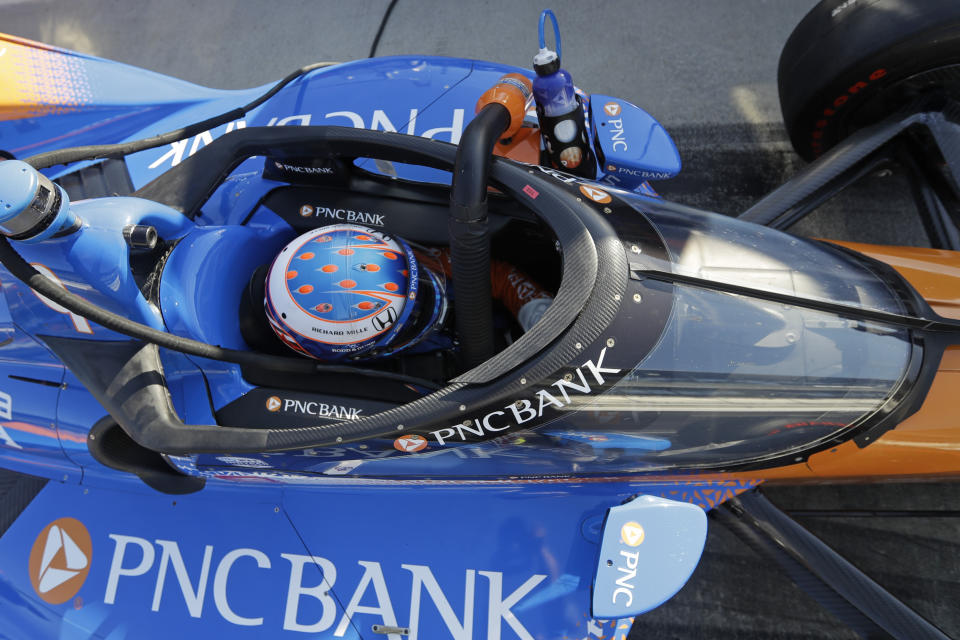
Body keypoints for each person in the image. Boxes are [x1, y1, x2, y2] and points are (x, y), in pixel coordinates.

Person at [263, 224, 552, 361]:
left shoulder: (401, 263)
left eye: (422, 282)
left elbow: (495, 274)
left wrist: (538, 311)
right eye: (414, 315)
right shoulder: (387, 384)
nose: (433, 297)